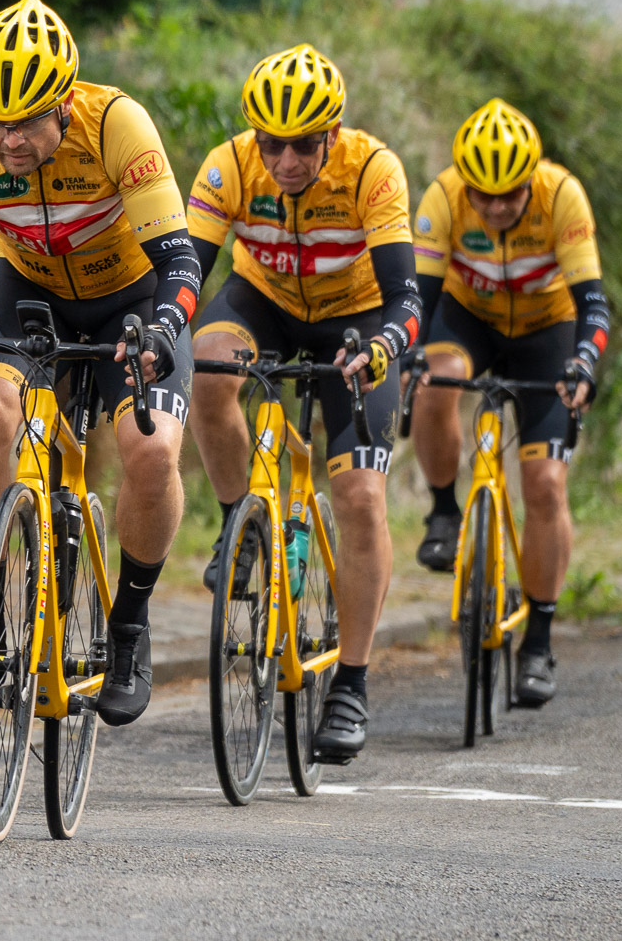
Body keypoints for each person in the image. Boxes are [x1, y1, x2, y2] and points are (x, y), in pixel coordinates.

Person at [0, 0, 200, 727]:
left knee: (150, 451)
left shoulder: (117, 124)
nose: (9, 141)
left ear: (64, 104)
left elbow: (181, 263)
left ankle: (129, 629)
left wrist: (163, 331)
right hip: (26, 286)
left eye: (27, 122)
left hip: (133, 298)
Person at [184, 43, 421, 764]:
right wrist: (165, 326)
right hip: (264, 302)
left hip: (357, 321)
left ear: (332, 135)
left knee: (359, 497)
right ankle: (241, 524)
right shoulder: (229, 167)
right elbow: (187, 273)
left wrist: (381, 348)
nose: (286, 161)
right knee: (207, 366)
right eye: (272, 144)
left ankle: (351, 682)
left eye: (304, 145)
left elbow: (407, 299)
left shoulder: (373, 170)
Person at [405, 99, 609, 708]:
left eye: (510, 195)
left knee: (545, 485)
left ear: (531, 180)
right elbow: (418, 298)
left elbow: (593, 304)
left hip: (548, 329)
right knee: (434, 381)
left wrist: (584, 362)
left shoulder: (562, 195)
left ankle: (539, 640)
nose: (495, 207)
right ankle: (444, 512)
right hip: (468, 319)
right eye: (483, 195)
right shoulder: (444, 196)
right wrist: (409, 355)